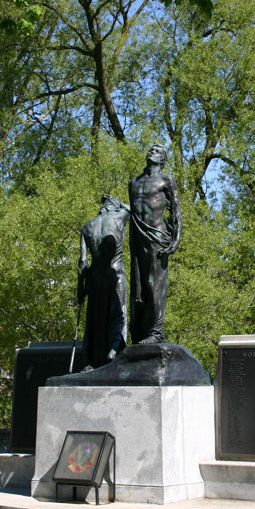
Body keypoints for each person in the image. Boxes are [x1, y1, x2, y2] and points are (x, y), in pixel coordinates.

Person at [128, 145, 181, 344]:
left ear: (163, 160)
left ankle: (156, 332)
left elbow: (175, 211)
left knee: (154, 283)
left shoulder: (166, 180)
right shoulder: (133, 182)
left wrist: (175, 240)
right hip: (138, 238)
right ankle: (141, 331)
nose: (153, 151)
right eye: (151, 149)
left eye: (158, 151)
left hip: (158, 236)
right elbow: (133, 211)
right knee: (139, 287)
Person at [78, 194, 130, 369]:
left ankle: (91, 361)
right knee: (119, 314)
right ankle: (115, 350)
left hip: (94, 277)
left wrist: (80, 288)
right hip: (115, 272)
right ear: (113, 207)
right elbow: (135, 210)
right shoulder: (118, 216)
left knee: (95, 320)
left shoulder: (87, 227)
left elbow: (82, 262)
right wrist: (119, 202)